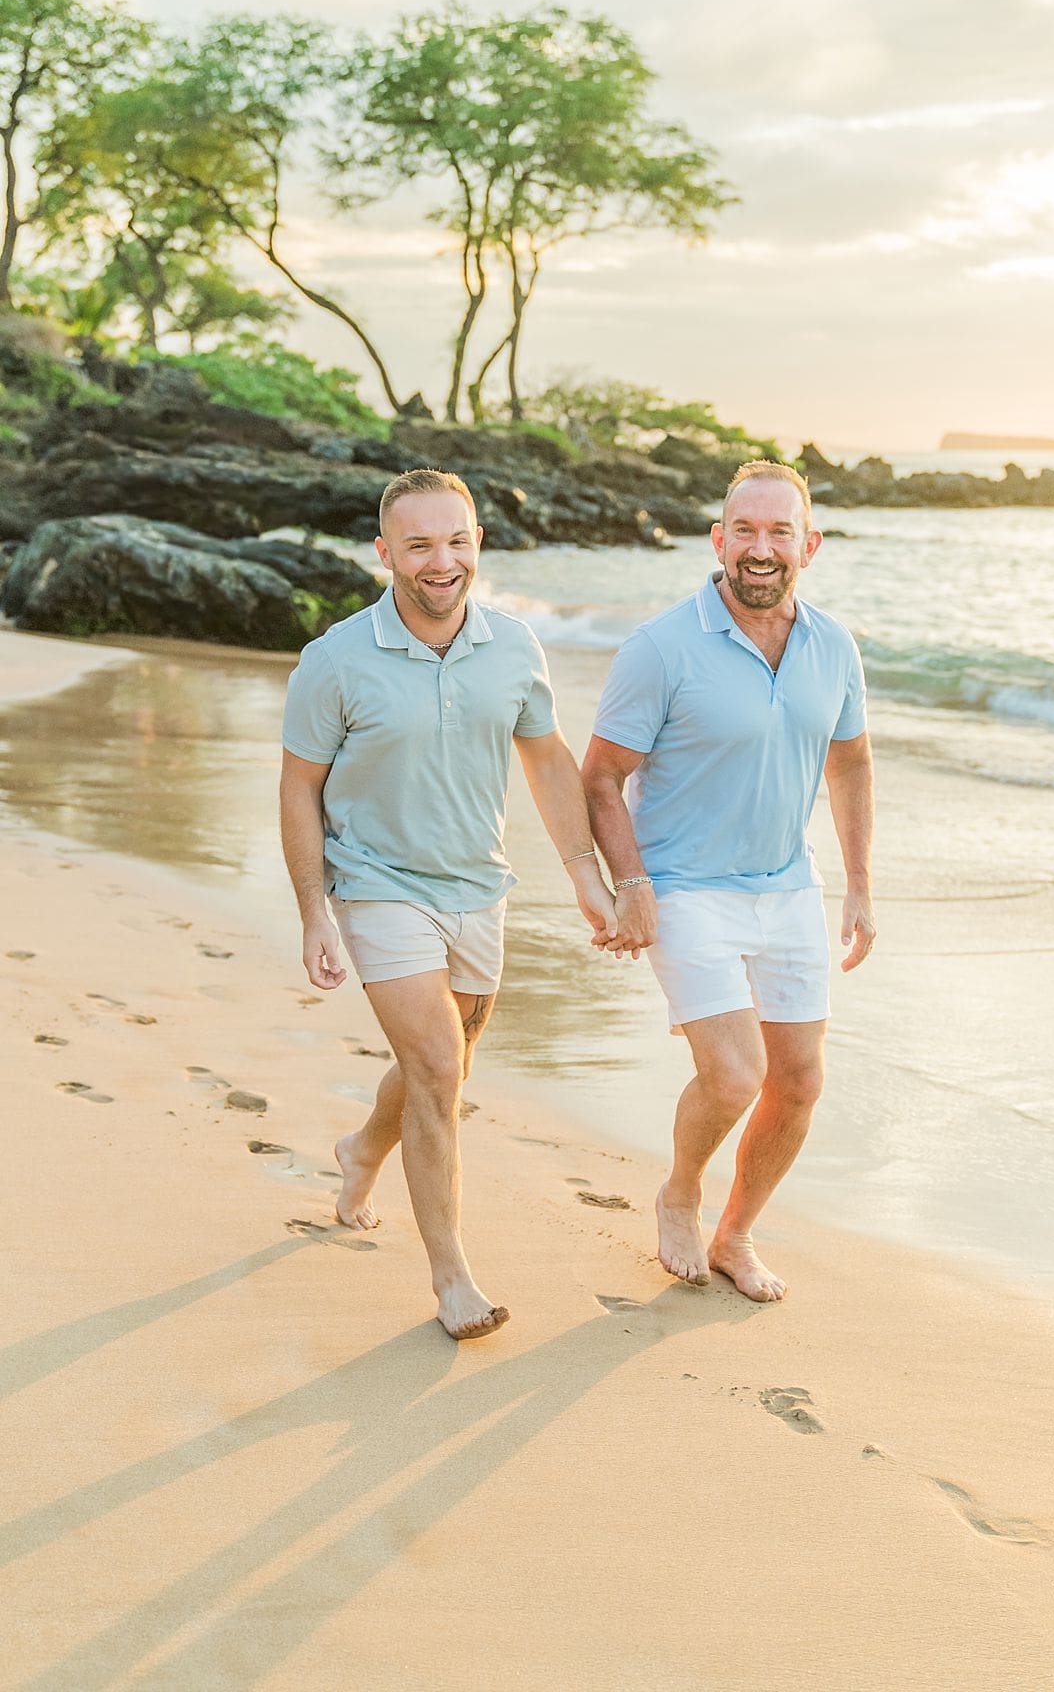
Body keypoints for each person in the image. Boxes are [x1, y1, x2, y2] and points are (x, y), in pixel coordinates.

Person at [280, 468, 616, 1340]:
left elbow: (545, 760)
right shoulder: (335, 660)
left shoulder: (513, 647)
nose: (442, 561)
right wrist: (315, 909)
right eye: (421, 544)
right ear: (385, 553)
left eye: (457, 540)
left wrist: (584, 872)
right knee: (435, 1065)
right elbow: (298, 788)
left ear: (478, 546)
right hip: (376, 882)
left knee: (451, 1059)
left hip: (478, 884)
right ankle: (452, 1277)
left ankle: (362, 1150)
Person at [582, 461, 875, 1304]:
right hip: (684, 886)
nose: (760, 547)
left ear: (809, 547)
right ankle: (680, 1190)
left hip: (788, 887)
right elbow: (600, 777)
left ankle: (735, 1235)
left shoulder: (834, 647)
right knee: (737, 1075)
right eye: (744, 530)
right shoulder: (662, 647)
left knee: (800, 1080)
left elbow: (851, 762)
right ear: (717, 540)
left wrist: (858, 884)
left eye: (780, 532)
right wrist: (628, 882)